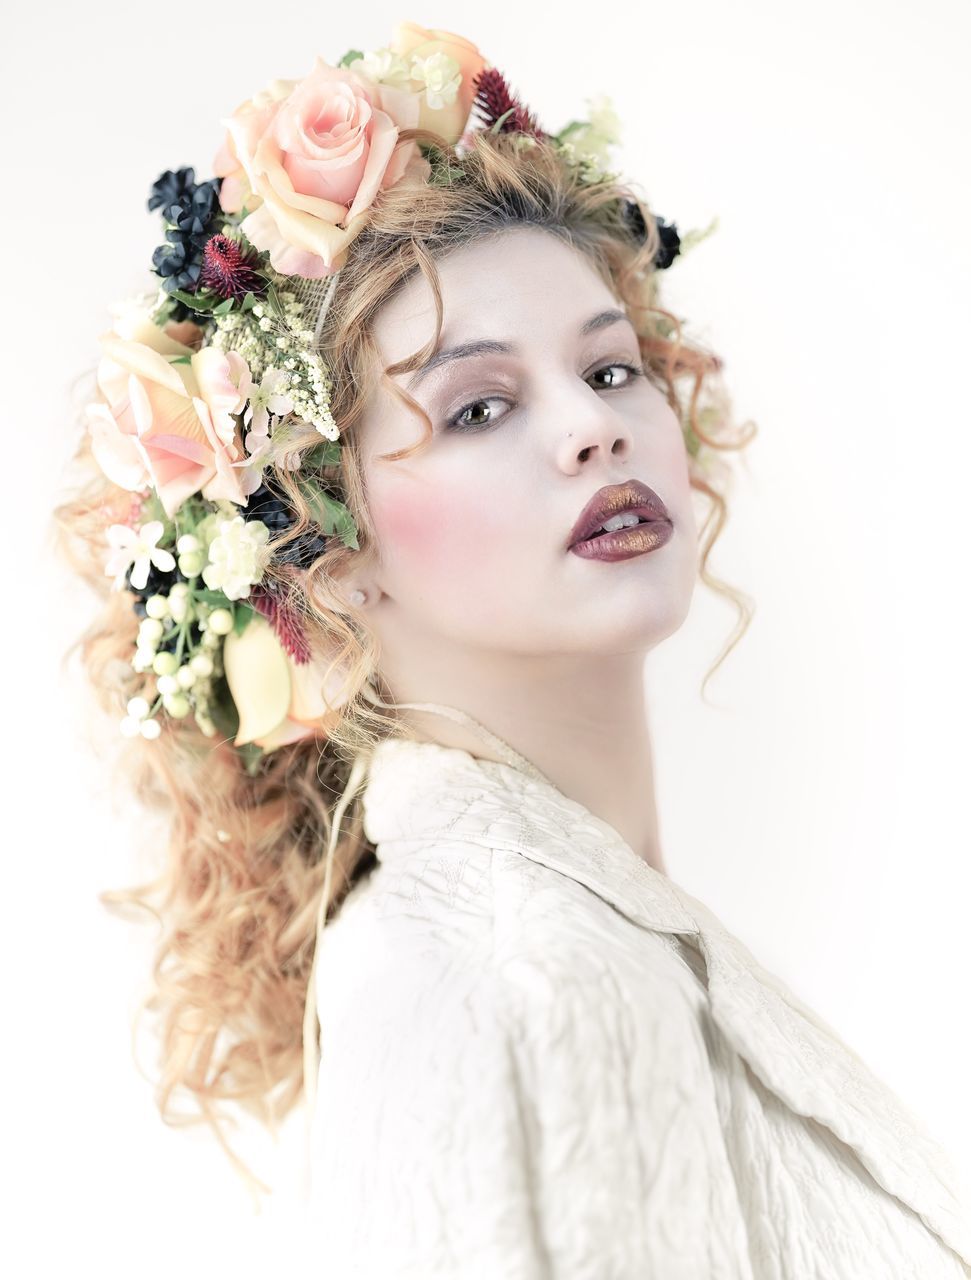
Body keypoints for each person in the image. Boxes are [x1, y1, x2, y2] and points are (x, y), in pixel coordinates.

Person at [53, 20, 970, 1277]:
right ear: (330, 557)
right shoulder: (517, 970)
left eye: (609, 368)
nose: (593, 432)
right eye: (479, 404)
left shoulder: (568, 934)